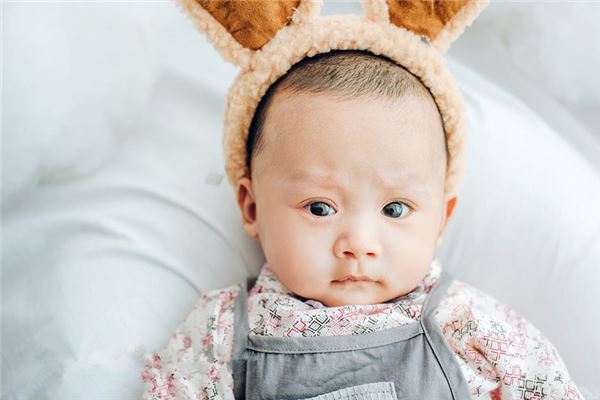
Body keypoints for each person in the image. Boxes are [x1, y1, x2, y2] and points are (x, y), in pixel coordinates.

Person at [142, 1, 584, 399]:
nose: (358, 244)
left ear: (441, 219)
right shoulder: (221, 332)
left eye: (395, 209)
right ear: (252, 207)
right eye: (320, 208)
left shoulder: (467, 323)